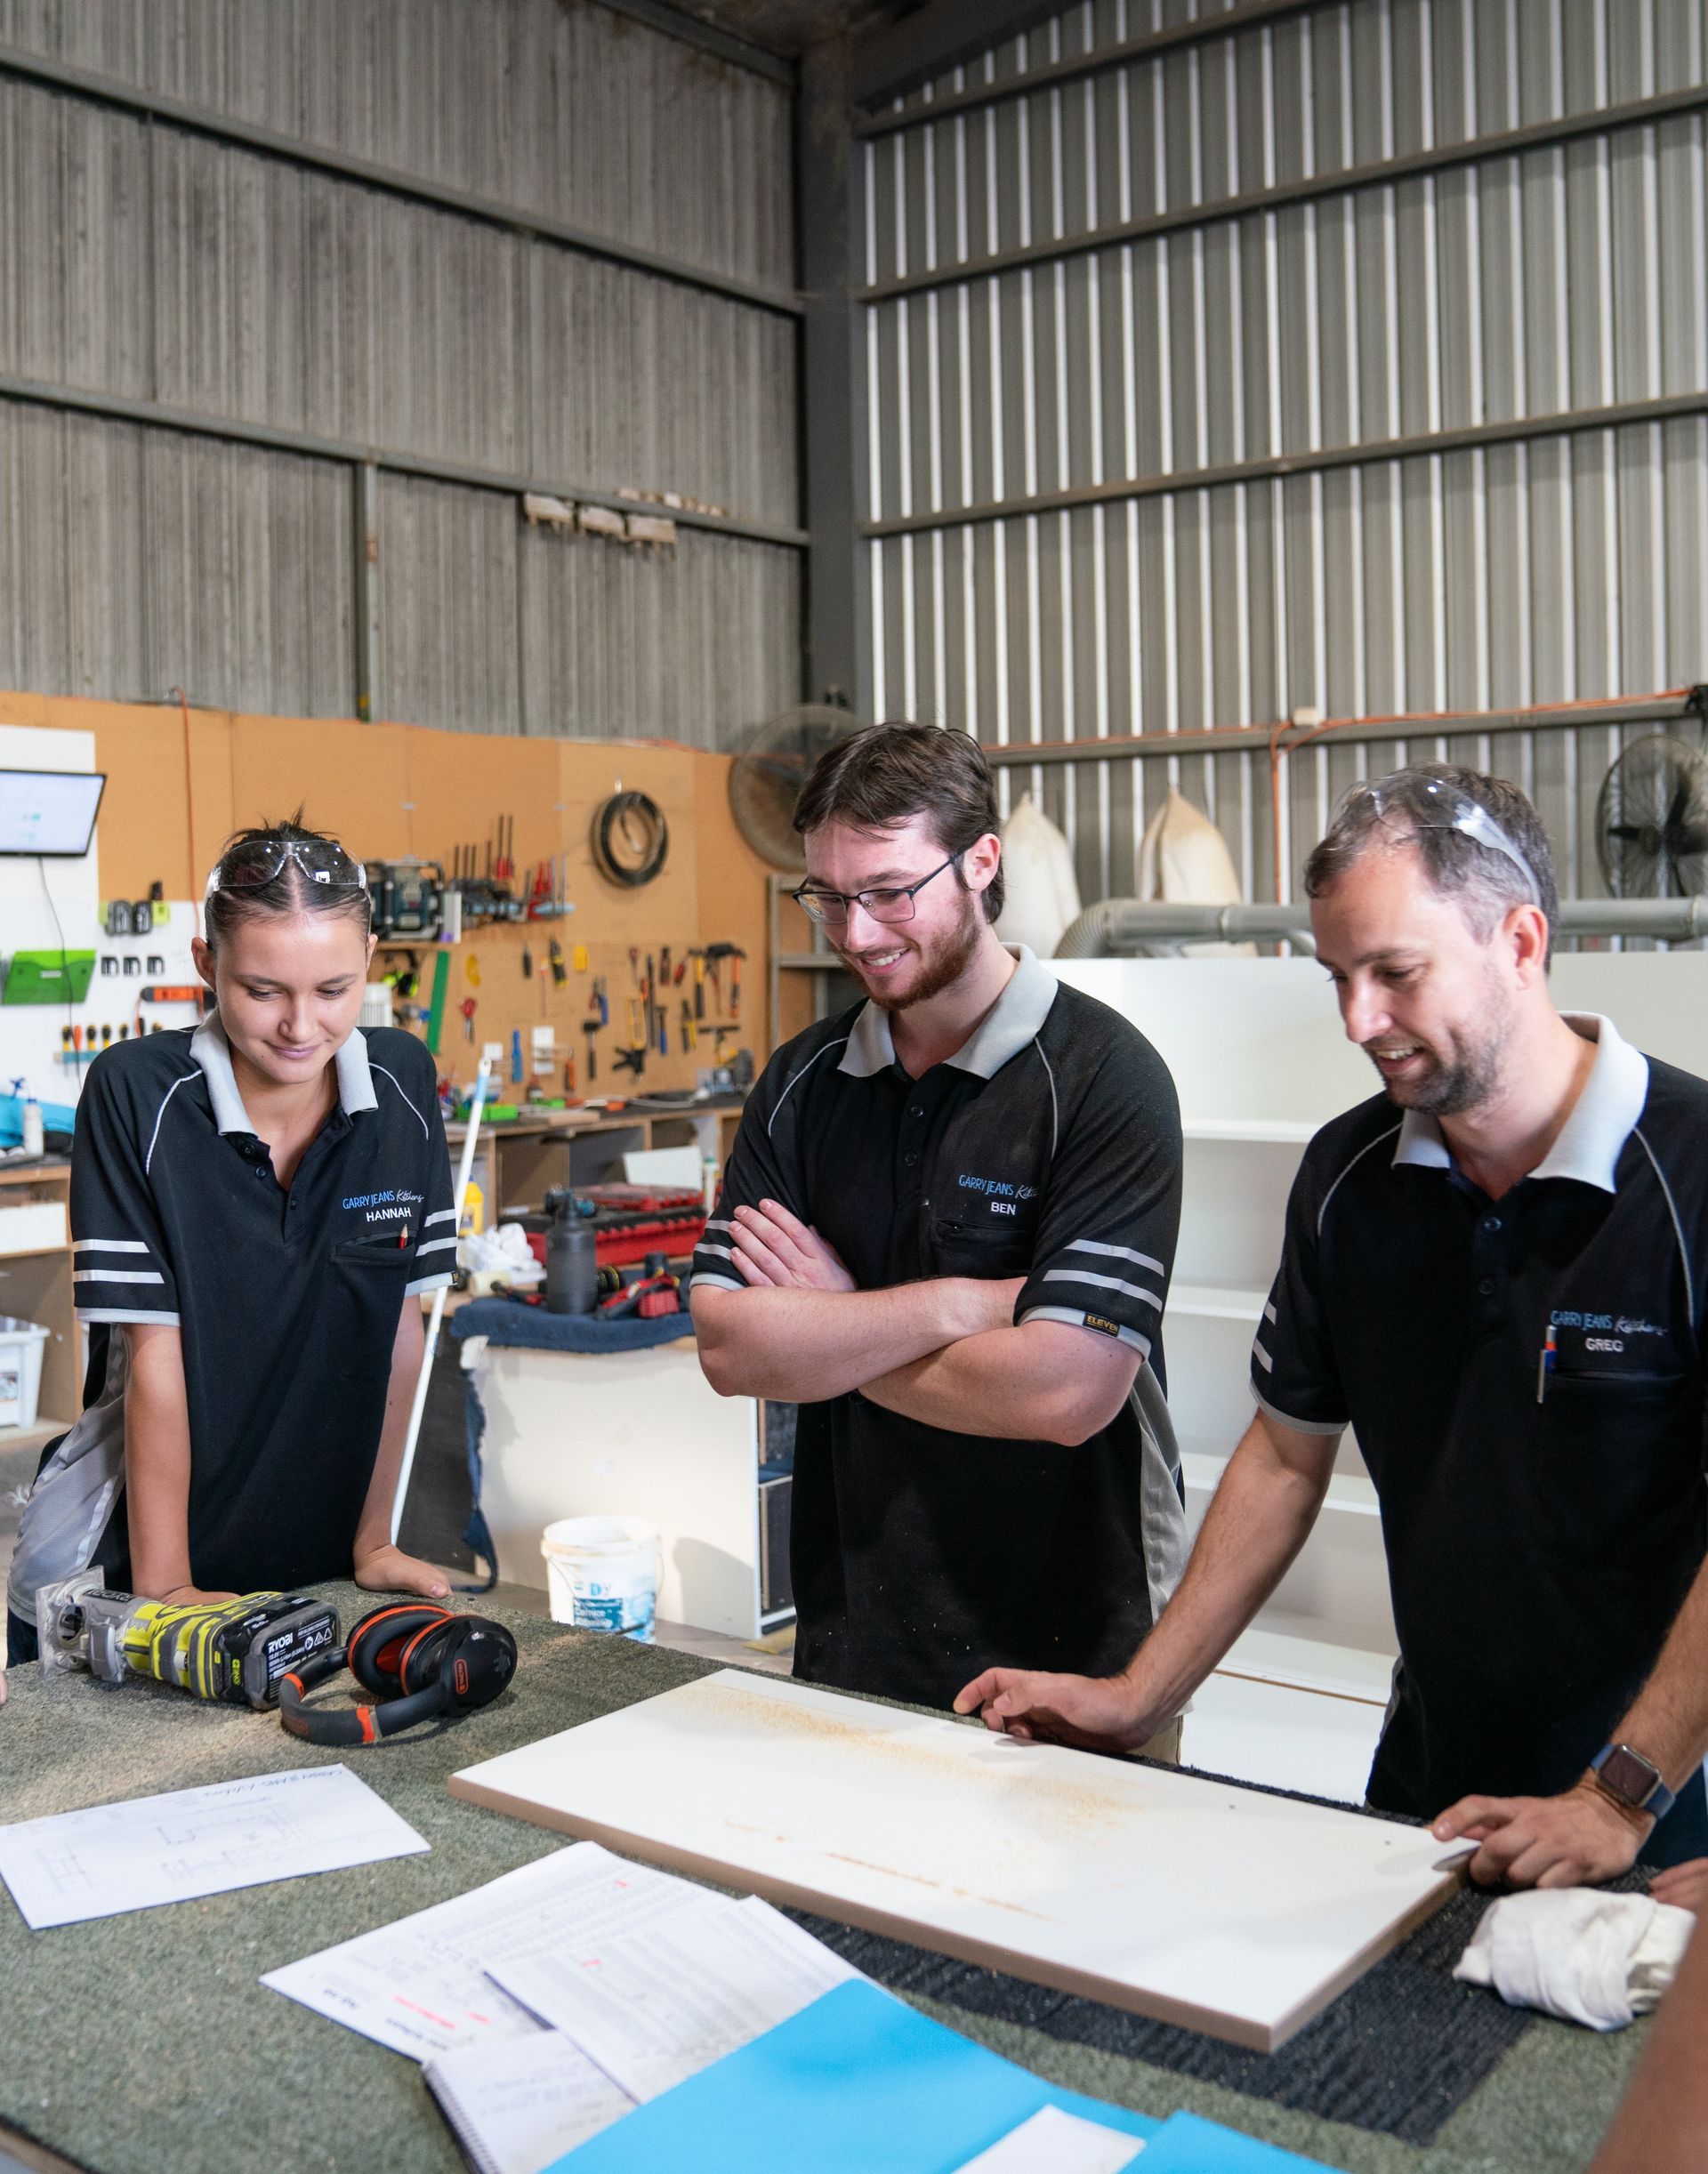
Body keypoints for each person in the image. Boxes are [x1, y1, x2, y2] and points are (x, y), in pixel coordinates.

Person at [957, 763, 1708, 1883]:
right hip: (1429, 1788)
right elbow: (1283, 1454)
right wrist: (1140, 1693)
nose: (1361, 1020)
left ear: (1519, 941)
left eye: (1397, 973)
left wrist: (1621, 1794)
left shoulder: (1691, 1170)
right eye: (1338, 976)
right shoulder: (1349, 1177)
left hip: (1663, 1814)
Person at [689, 722, 1188, 1714]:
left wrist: (834, 1324)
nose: (856, 932)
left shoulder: (1104, 1078)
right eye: (828, 895)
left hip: (1078, 1657)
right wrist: (961, 1304)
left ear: (982, 862)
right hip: (852, 1638)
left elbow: (1066, 1390)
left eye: (888, 891)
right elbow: (731, 1346)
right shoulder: (801, 1083)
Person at [5, 817, 457, 1664]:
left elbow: (398, 1334)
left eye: (334, 989)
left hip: (316, 1566)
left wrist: (372, 1542)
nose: (300, 1026)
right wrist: (166, 1590)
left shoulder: (402, 1084)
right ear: (206, 964)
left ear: (370, 962)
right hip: (123, 1563)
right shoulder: (135, 1095)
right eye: (262, 990)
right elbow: (153, 1356)